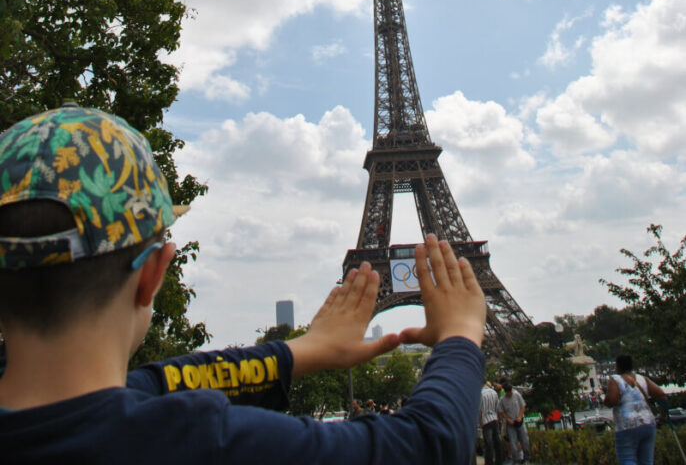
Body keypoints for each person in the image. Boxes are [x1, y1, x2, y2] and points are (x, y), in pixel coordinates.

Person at [0, 102, 487, 464]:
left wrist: (302, 351)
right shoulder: (198, 442)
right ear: (153, 275)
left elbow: (159, 383)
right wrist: (462, 336)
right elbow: (429, 446)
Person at [603, 353, 665, 465]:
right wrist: (662, 416)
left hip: (626, 426)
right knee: (647, 461)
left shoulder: (616, 380)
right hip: (648, 423)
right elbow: (661, 394)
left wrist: (606, 397)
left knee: (627, 459)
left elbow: (611, 401)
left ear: (618, 366)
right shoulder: (642, 379)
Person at [499, 382, 530, 463]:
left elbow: (523, 406)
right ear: (505, 392)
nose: (509, 393)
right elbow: (501, 412)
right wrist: (507, 419)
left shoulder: (517, 395)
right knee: (513, 442)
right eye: (508, 392)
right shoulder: (502, 400)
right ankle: (516, 459)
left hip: (519, 421)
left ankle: (526, 458)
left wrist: (520, 416)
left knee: (525, 440)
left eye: (510, 391)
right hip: (511, 423)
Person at [479, 380, 504, 465]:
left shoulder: (481, 394)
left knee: (488, 443)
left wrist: (480, 423)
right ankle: (499, 461)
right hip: (495, 418)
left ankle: (489, 462)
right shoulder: (494, 392)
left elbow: (480, 411)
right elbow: (497, 408)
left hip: (486, 420)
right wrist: (499, 419)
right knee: (497, 441)